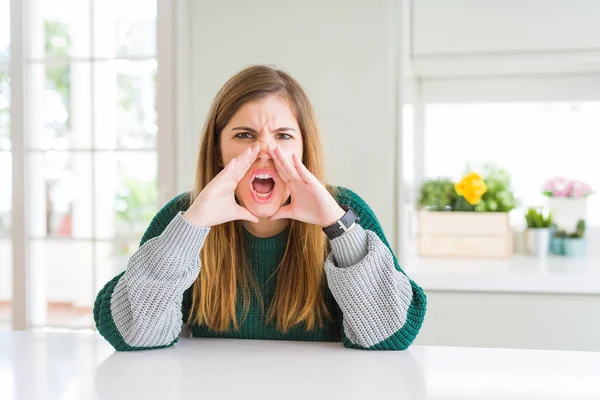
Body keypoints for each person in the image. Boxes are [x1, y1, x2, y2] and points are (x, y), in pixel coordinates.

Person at [93, 65, 427, 351]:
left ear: (304, 148)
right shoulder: (183, 215)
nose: (264, 150)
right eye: (244, 135)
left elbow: (391, 336)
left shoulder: (345, 210)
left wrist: (337, 226)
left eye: (283, 136)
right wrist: (191, 227)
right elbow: (132, 334)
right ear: (218, 150)